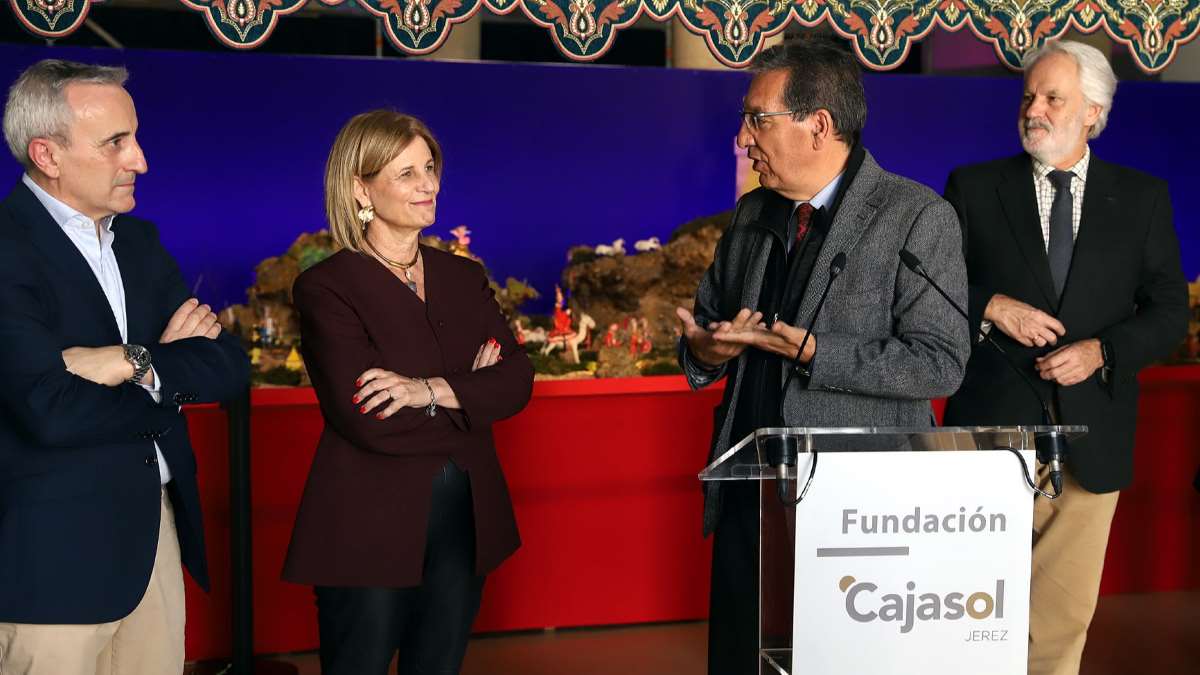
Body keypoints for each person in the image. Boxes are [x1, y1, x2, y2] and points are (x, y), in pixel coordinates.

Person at [675, 39, 970, 675]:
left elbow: (941, 361)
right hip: (749, 494)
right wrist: (705, 349)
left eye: (758, 118)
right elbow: (708, 324)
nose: (743, 137)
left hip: (860, 509)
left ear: (820, 125)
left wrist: (815, 353)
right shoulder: (752, 212)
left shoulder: (917, 216)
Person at [942, 40, 1188, 675]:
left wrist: (1103, 351)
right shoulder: (973, 188)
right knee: (968, 615)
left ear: (1094, 114)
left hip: (1091, 441)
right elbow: (927, 288)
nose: (1034, 109)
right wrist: (991, 304)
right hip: (985, 436)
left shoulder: (1142, 199)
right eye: (1028, 95)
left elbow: (1167, 312)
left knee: (1060, 623)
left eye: (1054, 98)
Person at [0, 59, 249, 674]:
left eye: (134, 138)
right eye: (116, 143)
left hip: (154, 542)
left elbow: (226, 365)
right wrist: (166, 371)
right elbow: (48, 411)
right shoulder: (7, 251)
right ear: (47, 154)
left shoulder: (140, 242)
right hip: (50, 564)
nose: (139, 160)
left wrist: (128, 361)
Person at [282, 110, 534, 675]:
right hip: (367, 526)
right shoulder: (327, 287)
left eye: (430, 168)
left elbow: (516, 383)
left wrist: (426, 390)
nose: (430, 185)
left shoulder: (463, 277)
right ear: (359, 188)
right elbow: (369, 420)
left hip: (467, 520)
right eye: (406, 174)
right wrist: (470, 393)